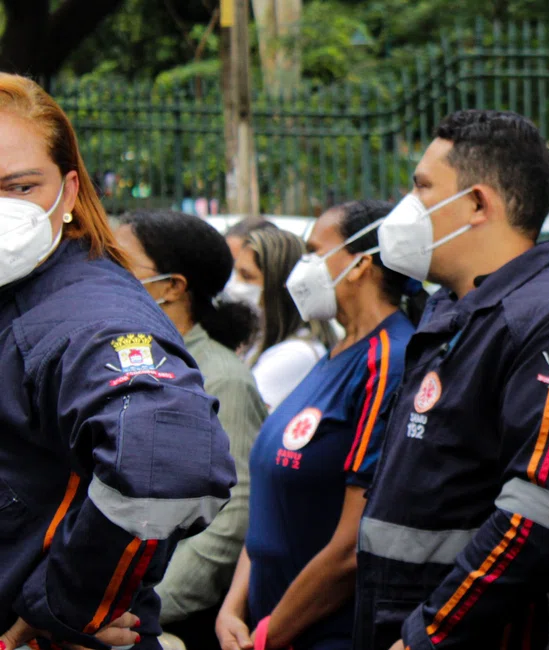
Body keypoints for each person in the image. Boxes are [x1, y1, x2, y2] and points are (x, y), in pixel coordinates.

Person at [353, 109, 549, 650]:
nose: (408, 207)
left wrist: (428, 635)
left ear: (477, 203)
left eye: (423, 187)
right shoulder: (452, 307)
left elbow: (540, 515)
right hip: (391, 616)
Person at [0, 74, 235, 650]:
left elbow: (170, 463)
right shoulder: (17, 295)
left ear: (70, 190)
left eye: (20, 187)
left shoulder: (86, 312)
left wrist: (68, 604)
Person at [216, 200, 421, 650]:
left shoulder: (389, 358)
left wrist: (271, 633)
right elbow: (271, 499)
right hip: (263, 626)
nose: (303, 266)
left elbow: (354, 542)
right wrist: (234, 606)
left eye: (314, 251)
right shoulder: (335, 353)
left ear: (360, 265)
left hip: (320, 634)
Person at [113, 211, 269, 650]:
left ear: (172, 287)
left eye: (120, 263)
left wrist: (144, 608)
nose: (105, 274)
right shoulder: (135, 359)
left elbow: (232, 517)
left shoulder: (221, 378)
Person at [231, 227, 339, 410]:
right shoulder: (260, 339)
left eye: (247, 276)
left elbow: (239, 412)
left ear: (277, 288)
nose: (234, 285)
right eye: (236, 273)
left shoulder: (294, 354)